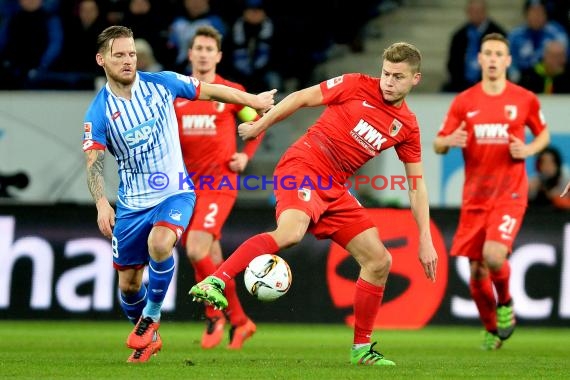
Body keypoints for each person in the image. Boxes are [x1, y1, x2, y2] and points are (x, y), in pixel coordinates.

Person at [190, 41, 439, 366]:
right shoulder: (355, 85)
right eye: (386, 74)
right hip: (304, 165)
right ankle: (216, 280)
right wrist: (260, 125)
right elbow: (300, 98)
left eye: (398, 77)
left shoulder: (407, 127)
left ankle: (361, 350)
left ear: (415, 79)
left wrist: (425, 239)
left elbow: (416, 186)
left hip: (335, 187)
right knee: (291, 232)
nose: (388, 82)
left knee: (379, 261)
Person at [82, 25, 275, 363]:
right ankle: (151, 336)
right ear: (102, 60)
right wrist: (101, 202)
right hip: (132, 202)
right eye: (119, 55)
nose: (128, 60)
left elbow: (216, 91)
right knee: (128, 285)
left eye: (131, 54)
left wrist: (253, 103)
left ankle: (158, 316)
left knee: (170, 244)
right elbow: (93, 161)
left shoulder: (163, 84)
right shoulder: (98, 111)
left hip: (182, 190)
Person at [433, 33, 550, 350]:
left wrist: (527, 150)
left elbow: (543, 135)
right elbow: (438, 143)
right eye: (488, 53)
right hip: (475, 197)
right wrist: (449, 141)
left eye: (500, 53)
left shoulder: (524, 99)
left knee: (493, 255)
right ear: (480, 59)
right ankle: (492, 329)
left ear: (508, 60)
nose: (494, 58)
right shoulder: (464, 101)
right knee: (475, 269)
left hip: (509, 193)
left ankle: (507, 303)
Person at [175, 25, 262, 350]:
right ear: (190, 53)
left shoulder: (230, 92)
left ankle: (215, 315)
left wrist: (245, 154)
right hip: (186, 187)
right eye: (198, 48)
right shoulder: (178, 93)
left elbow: (257, 123)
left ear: (219, 55)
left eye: (209, 49)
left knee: (196, 250)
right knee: (211, 258)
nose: (203, 53)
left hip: (219, 184)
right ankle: (241, 321)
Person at [442, 0, 507, 92]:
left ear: (485, 12)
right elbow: (452, 64)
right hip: (462, 84)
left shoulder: (498, 34)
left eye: (478, 11)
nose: (475, 14)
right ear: (467, 12)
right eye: (472, 11)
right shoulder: (459, 35)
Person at [507, 0, 569, 83]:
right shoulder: (515, 36)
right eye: (533, 12)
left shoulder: (557, 33)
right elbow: (508, 59)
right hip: (523, 79)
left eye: (540, 12)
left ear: (546, 14)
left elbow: (565, 57)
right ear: (526, 14)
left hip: (553, 79)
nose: (536, 16)